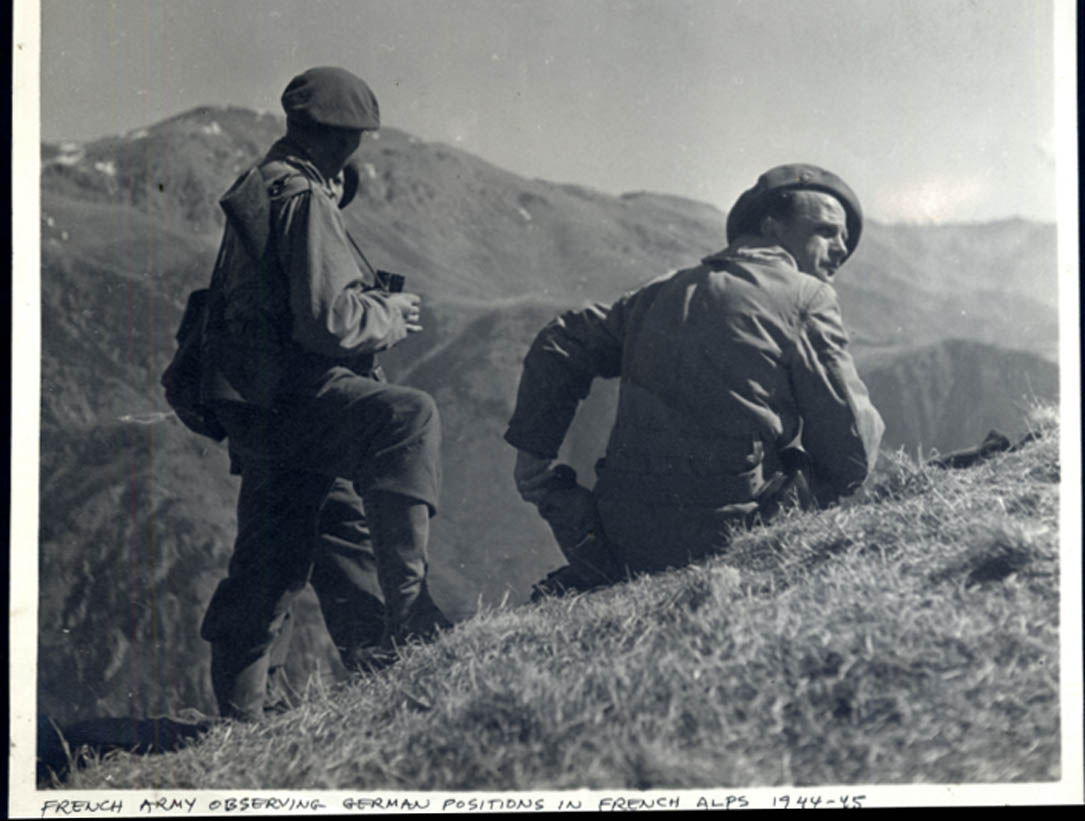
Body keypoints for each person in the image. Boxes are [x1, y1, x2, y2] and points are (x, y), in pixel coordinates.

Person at [198, 66, 450, 720]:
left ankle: (247, 714)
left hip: (261, 408)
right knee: (407, 417)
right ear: (341, 141)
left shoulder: (261, 184)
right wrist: (390, 314)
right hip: (300, 399)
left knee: (290, 548)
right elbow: (327, 322)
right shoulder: (303, 199)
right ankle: (412, 612)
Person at [504, 163, 885, 594]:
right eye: (826, 232)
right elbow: (851, 452)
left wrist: (532, 454)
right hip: (728, 540)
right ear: (771, 226)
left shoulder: (660, 290)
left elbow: (561, 340)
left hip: (622, 541)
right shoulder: (806, 297)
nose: (841, 248)